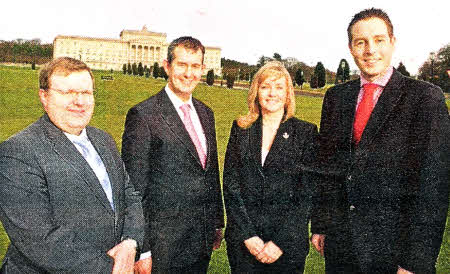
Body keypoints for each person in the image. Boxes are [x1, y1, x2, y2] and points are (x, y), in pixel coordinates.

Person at [311, 8, 449, 274]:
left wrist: (415, 262)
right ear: (351, 48)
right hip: (342, 248)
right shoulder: (336, 98)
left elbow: (434, 187)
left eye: (378, 40)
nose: (369, 50)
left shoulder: (425, 98)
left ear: (392, 42)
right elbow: (327, 169)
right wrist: (321, 223)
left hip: (395, 252)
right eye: (360, 42)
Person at [0, 57, 144, 273]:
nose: (79, 101)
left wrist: (130, 243)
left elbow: (129, 196)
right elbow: (39, 240)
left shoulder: (103, 140)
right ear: (44, 97)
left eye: (86, 93)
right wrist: (113, 268)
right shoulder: (18, 151)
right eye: (67, 93)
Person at [121, 36, 224, 273]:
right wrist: (142, 249)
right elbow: (134, 189)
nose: (189, 74)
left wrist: (217, 222)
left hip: (201, 238)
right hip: (162, 244)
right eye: (182, 65)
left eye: (195, 66)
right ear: (167, 66)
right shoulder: (143, 115)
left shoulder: (205, 113)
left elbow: (210, 172)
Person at [223, 61, 318, 273]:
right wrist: (248, 236)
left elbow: (306, 194)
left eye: (279, 87)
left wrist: (280, 242)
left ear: (288, 93)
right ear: (256, 91)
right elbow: (231, 186)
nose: (272, 93)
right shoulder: (241, 129)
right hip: (244, 245)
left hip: (287, 248)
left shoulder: (305, 133)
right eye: (265, 86)